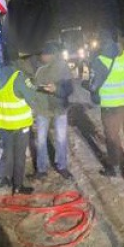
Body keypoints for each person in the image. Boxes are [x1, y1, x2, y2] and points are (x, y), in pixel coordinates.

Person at [87, 28, 124, 178]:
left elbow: (93, 85)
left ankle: (114, 166)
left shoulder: (101, 60)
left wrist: (87, 85)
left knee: (112, 136)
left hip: (111, 105)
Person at [0, 61, 39, 194]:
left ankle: (2, 178)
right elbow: (32, 99)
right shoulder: (18, 77)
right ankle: (17, 186)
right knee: (19, 155)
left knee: (8, 152)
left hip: (4, 123)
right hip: (20, 123)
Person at [30, 42, 74, 181]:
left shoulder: (63, 68)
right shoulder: (38, 68)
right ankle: (41, 169)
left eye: (44, 54)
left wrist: (56, 90)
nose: (42, 57)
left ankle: (62, 166)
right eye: (41, 55)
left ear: (51, 55)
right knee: (41, 140)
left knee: (61, 139)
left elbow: (69, 90)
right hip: (43, 109)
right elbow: (34, 87)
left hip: (59, 108)